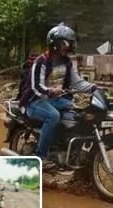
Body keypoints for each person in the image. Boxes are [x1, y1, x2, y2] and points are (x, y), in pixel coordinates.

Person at [19, 24, 97, 160]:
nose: (68, 47)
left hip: (56, 100)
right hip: (35, 101)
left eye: (70, 44)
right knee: (53, 116)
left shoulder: (67, 62)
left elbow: (77, 82)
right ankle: (41, 155)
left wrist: (94, 88)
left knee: (80, 112)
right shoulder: (41, 61)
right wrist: (51, 91)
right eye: (65, 43)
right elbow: (36, 86)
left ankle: (63, 145)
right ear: (54, 44)